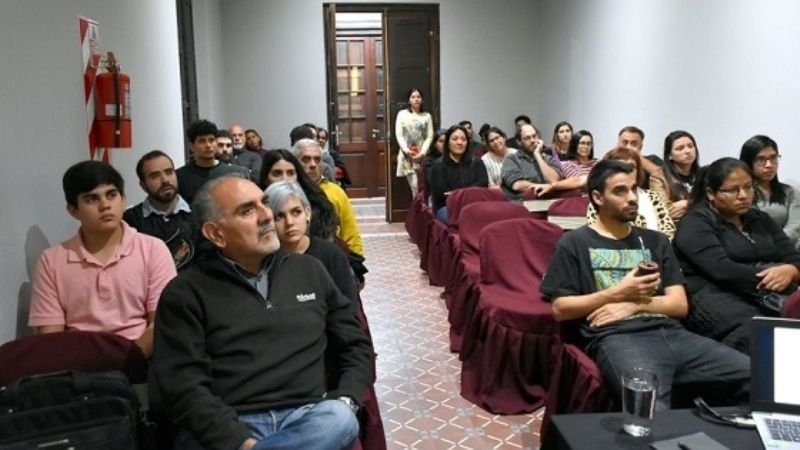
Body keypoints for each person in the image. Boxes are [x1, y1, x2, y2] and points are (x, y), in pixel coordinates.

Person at [152, 175, 372, 450]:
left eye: (264, 204)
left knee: (340, 418)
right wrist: (239, 442)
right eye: (247, 210)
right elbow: (182, 385)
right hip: (231, 420)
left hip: (307, 418)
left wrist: (347, 397)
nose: (266, 216)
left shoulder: (309, 270)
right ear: (215, 233)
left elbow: (355, 344)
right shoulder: (185, 293)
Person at [540, 159, 750, 410]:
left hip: (674, 334)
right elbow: (560, 309)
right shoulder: (574, 242)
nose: (632, 198)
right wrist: (619, 291)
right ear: (598, 197)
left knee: (757, 377)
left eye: (634, 189)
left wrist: (634, 305)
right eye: (620, 191)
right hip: (618, 339)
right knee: (648, 408)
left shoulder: (656, 241)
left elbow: (679, 304)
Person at [29, 161, 176, 358]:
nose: (105, 205)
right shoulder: (51, 261)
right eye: (91, 199)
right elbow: (51, 338)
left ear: (123, 199)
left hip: (140, 363)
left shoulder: (152, 249)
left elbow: (160, 323)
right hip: (78, 372)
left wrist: (126, 365)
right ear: (73, 210)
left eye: (111, 195)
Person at [673, 157, 800, 353]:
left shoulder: (760, 219)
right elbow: (722, 270)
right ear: (711, 193)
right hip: (715, 295)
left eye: (749, 187)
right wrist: (773, 274)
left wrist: (791, 271)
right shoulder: (695, 223)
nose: (743, 195)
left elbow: (794, 259)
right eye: (733, 190)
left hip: (767, 293)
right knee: (760, 334)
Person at [265, 180, 358, 309]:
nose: (290, 222)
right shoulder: (264, 260)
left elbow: (348, 309)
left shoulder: (331, 255)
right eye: (279, 216)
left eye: (296, 212)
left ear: (307, 213)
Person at [124, 150, 201, 269]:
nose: (165, 180)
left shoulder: (200, 215)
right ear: (143, 185)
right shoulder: (130, 221)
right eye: (155, 176)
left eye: (169, 172)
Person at [292, 139, 364, 257]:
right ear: (295, 163)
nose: (313, 165)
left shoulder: (335, 192)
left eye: (317, 159)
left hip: (331, 257)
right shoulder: (289, 193)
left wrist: (356, 263)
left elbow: (351, 232)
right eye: (306, 160)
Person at [587, 146, 676, 239]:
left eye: (632, 166)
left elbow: (668, 230)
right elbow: (596, 236)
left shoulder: (653, 197)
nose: (626, 170)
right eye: (620, 166)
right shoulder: (601, 201)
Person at [260, 149, 339, 241]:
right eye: (277, 174)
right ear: (265, 179)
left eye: (291, 173)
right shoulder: (258, 208)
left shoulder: (318, 207)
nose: (285, 179)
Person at [739, 135, 800, 251]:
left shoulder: (789, 192)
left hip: (787, 248)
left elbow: (795, 226)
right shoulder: (741, 194)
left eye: (773, 158)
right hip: (752, 250)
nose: (769, 165)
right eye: (761, 159)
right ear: (748, 162)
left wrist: (777, 243)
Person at [429, 125, 489, 222]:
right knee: (465, 218)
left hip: (474, 204)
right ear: (448, 142)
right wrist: (469, 192)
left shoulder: (477, 162)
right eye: (455, 139)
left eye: (463, 139)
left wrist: (456, 193)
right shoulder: (438, 165)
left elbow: (483, 186)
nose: (459, 142)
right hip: (447, 207)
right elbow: (441, 194)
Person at [177, 119, 242, 204]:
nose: (208, 145)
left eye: (211, 140)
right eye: (202, 141)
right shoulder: (180, 176)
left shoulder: (234, 173)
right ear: (192, 146)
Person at [500, 123, 562, 201]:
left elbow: (554, 180)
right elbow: (517, 185)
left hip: (549, 201)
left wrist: (538, 155)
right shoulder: (512, 159)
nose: (532, 140)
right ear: (519, 141)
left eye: (534, 136)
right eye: (527, 138)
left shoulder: (548, 158)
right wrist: (544, 187)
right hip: (523, 202)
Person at [650, 130, 700, 222]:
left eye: (690, 146)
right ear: (670, 155)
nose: (687, 151)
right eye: (680, 148)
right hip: (677, 228)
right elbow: (664, 212)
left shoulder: (704, 174)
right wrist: (693, 203)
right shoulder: (659, 177)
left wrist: (682, 204)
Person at [534, 129, 597, 197]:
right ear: (575, 145)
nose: (586, 147)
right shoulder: (568, 165)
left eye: (588, 144)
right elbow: (580, 182)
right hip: (581, 201)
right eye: (582, 143)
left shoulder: (598, 163)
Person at [395, 88, 434, 195]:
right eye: (413, 97)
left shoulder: (427, 116)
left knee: (424, 187)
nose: (416, 99)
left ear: (422, 100)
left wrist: (422, 153)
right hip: (408, 156)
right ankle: (417, 210)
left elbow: (429, 136)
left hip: (422, 156)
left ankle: (422, 209)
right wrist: (406, 150)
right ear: (409, 100)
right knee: (415, 188)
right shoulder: (402, 114)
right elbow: (399, 134)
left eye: (418, 97)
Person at [421, 129, 446, 197]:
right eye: (441, 141)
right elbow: (433, 183)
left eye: (447, 141)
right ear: (435, 144)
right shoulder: (429, 161)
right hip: (435, 196)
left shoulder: (454, 158)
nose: (444, 144)